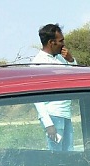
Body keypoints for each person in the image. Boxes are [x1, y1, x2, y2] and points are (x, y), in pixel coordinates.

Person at [33, 23, 77, 151]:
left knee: (69, 153)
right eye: (61, 41)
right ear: (51, 42)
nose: (63, 44)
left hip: (65, 113)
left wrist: (71, 60)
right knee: (57, 157)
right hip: (53, 115)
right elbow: (36, 97)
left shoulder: (60, 59)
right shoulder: (39, 63)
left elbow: (77, 76)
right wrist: (48, 123)